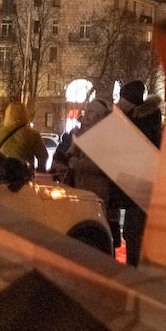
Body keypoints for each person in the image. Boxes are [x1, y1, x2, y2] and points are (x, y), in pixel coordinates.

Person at [115, 80, 162, 266]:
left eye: (123, 99)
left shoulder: (143, 119)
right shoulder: (141, 118)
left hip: (141, 185)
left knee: (135, 232)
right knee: (131, 231)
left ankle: (135, 270)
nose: (119, 103)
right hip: (137, 183)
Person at [65, 98, 118, 243]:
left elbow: (105, 166)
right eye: (86, 111)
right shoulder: (81, 133)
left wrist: (77, 163)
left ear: (100, 117)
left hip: (96, 191)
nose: (86, 115)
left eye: (91, 112)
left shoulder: (105, 136)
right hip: (79, 189)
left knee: (93, 232)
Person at [0, 101, 46, 171]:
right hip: (23, 175)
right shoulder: (33, 135)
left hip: (0, 175)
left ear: (7, 115)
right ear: (25, 115)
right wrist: (40, 169)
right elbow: (43, 155)